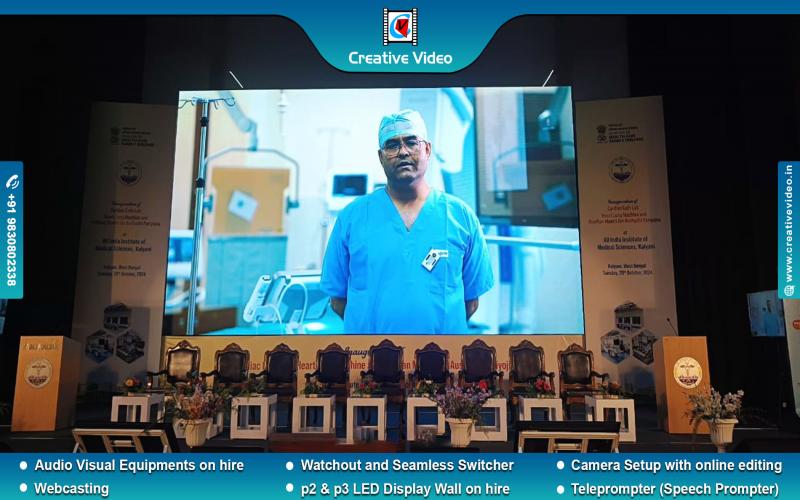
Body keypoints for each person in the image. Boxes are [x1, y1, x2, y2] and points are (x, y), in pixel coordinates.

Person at [320, 109, 494, 334]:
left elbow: (470, 302)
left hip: (441, 353)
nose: (403, 151)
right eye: (392, 145)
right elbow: (338, 301)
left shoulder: (461, 217)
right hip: (373, 355)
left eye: (411, 142)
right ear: (381, 157)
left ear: (427, 149)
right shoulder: (352, 218)